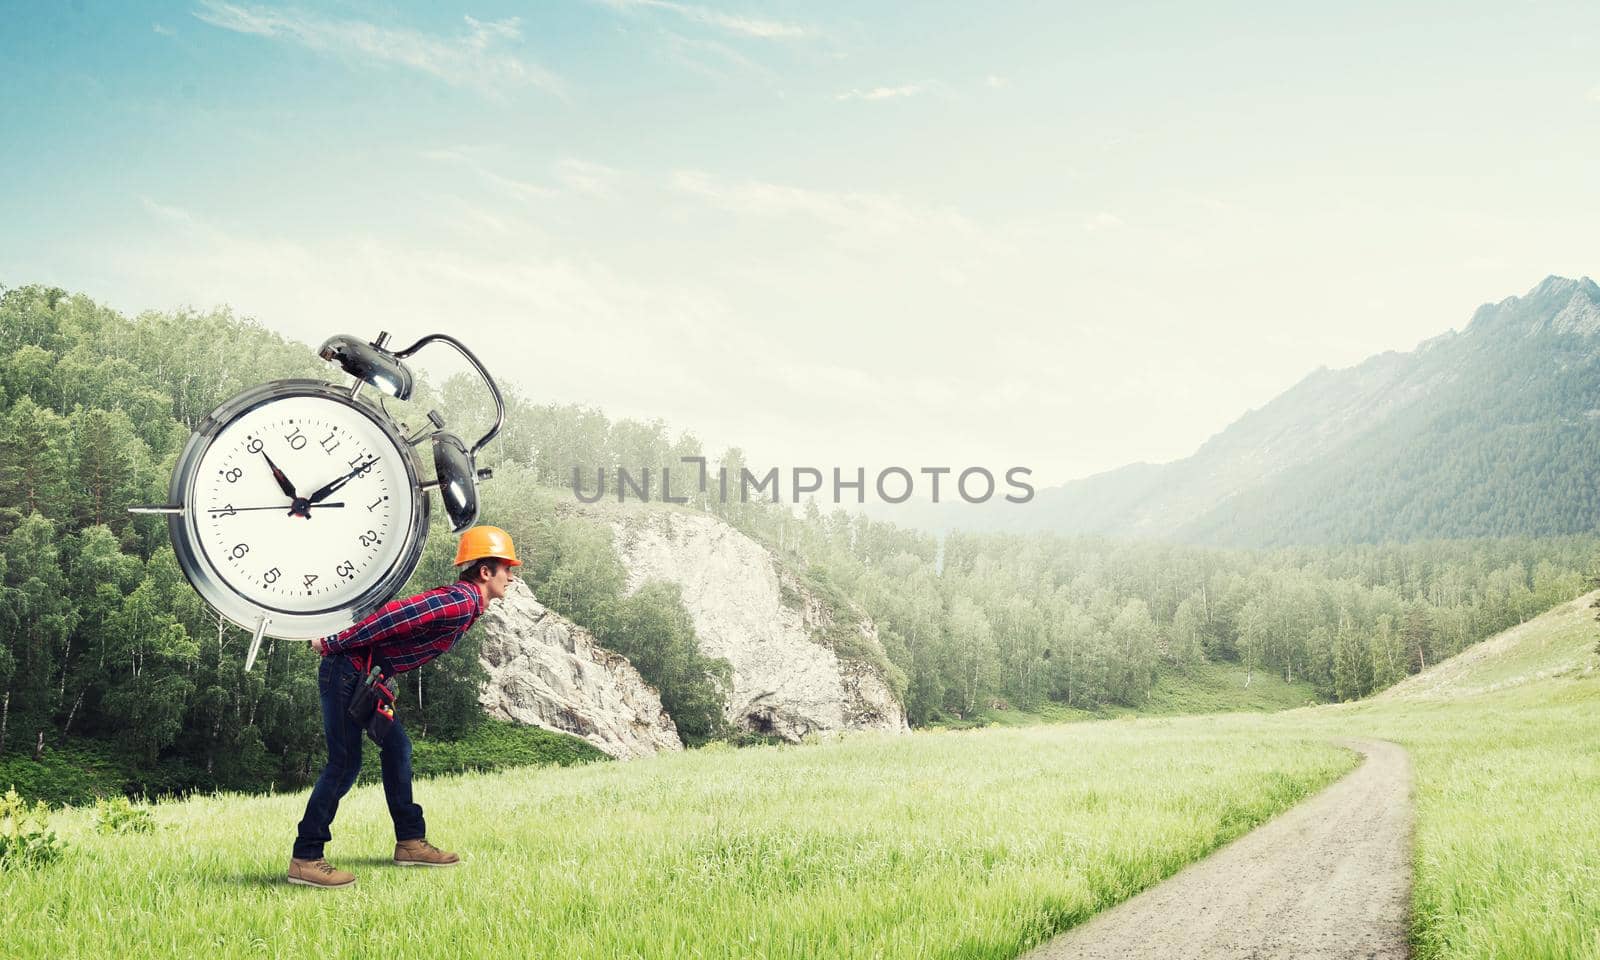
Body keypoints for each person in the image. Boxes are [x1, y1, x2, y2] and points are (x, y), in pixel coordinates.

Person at [287, 525, 521, 889]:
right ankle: (306, 857)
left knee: (398, 748)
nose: (512, 576)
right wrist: (334, 641)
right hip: (346, 669)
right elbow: (395, 616)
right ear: (486, 572)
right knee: (344, 763)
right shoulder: (461, 601)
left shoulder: (469, 605)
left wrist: (382, 678)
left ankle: (410, 842)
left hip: (363, 675)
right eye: (507, 568)